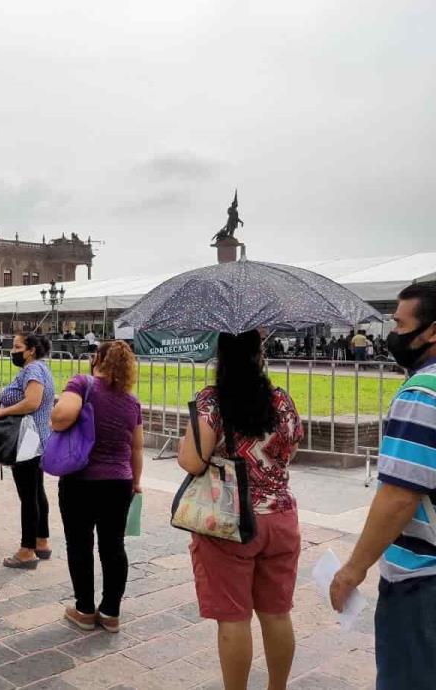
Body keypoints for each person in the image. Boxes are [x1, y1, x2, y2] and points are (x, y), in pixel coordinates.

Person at [178, 330, 303, 690]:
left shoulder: (212, 402)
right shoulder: (282, 400)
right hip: (280, 517)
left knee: (233, 618)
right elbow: (291, 449)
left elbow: (192, 461)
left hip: (229, 521)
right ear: (259, 354)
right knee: (277, 613)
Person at [330, 283, 436, 690]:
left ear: (432, 330)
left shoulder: (423, 394)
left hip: (421, 579)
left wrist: (353, 568)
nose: (393, 334)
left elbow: (400, 496)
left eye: (400, 324)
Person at [51, 341, 143, 632]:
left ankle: (85, 610)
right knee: (113, 546)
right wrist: (136, 482)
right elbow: (137, 447)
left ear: (97, 359)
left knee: (80, 543)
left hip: (81, 479)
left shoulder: (82, 383)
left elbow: (60, 418)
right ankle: (111, 612)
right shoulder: (132, 401)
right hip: (119, 482)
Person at [0, 332, 55, 569]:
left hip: (27, 440)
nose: (13, 351)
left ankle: (27, 550)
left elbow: (32, 402)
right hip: (37, 438)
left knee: (28, 496)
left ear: (31, 350)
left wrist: (2, 411)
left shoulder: (33, 370)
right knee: (36, 492)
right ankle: (41, 541)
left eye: (17, 347)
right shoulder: (41, 368)